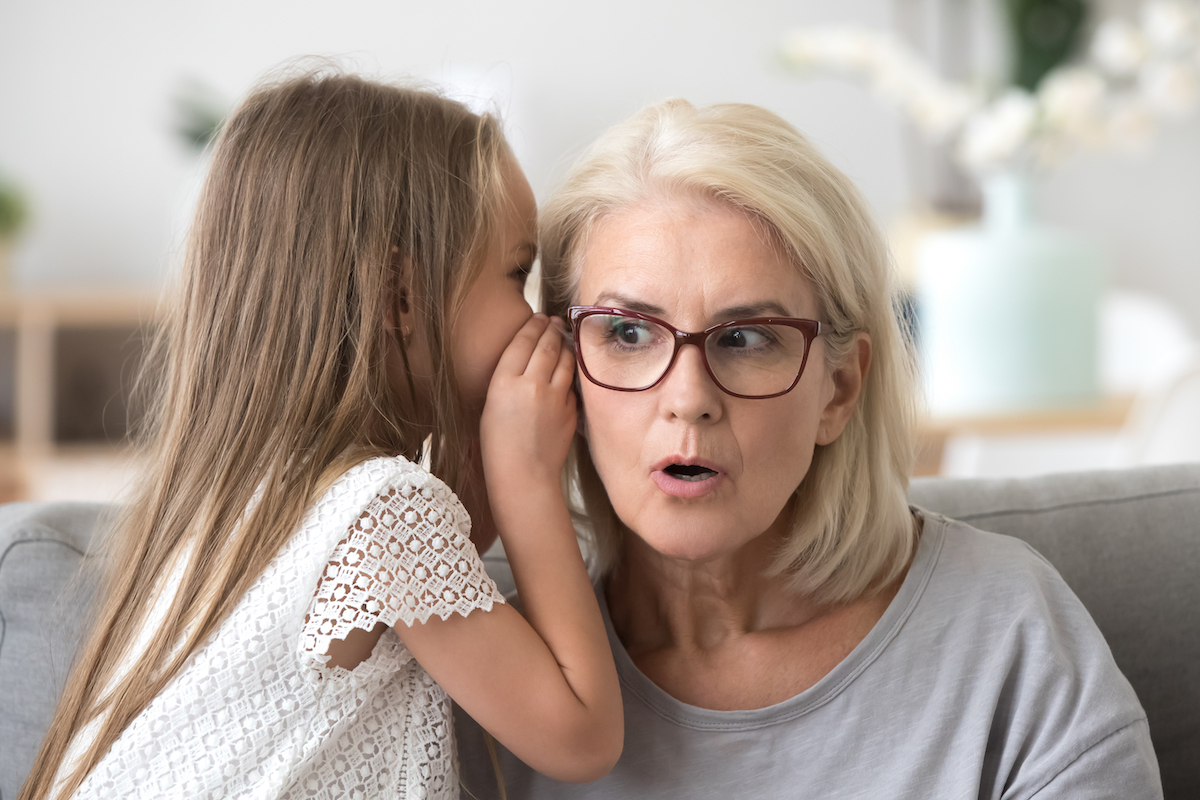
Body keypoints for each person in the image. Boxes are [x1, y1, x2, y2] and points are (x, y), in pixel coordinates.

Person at [455, 99, 1163, 798]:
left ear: (839, 389)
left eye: (746, 338)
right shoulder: (489, 675)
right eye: (629, 334)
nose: (688, 397)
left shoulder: (1007, 635)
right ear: (562, 371)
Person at [20, 70, 622, 800]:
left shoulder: (250, 490)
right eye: (517, 274)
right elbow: (583, 736)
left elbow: (453, 581)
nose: (539, 321)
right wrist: (530, 481)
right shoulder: (385, 511)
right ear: (401, 296)